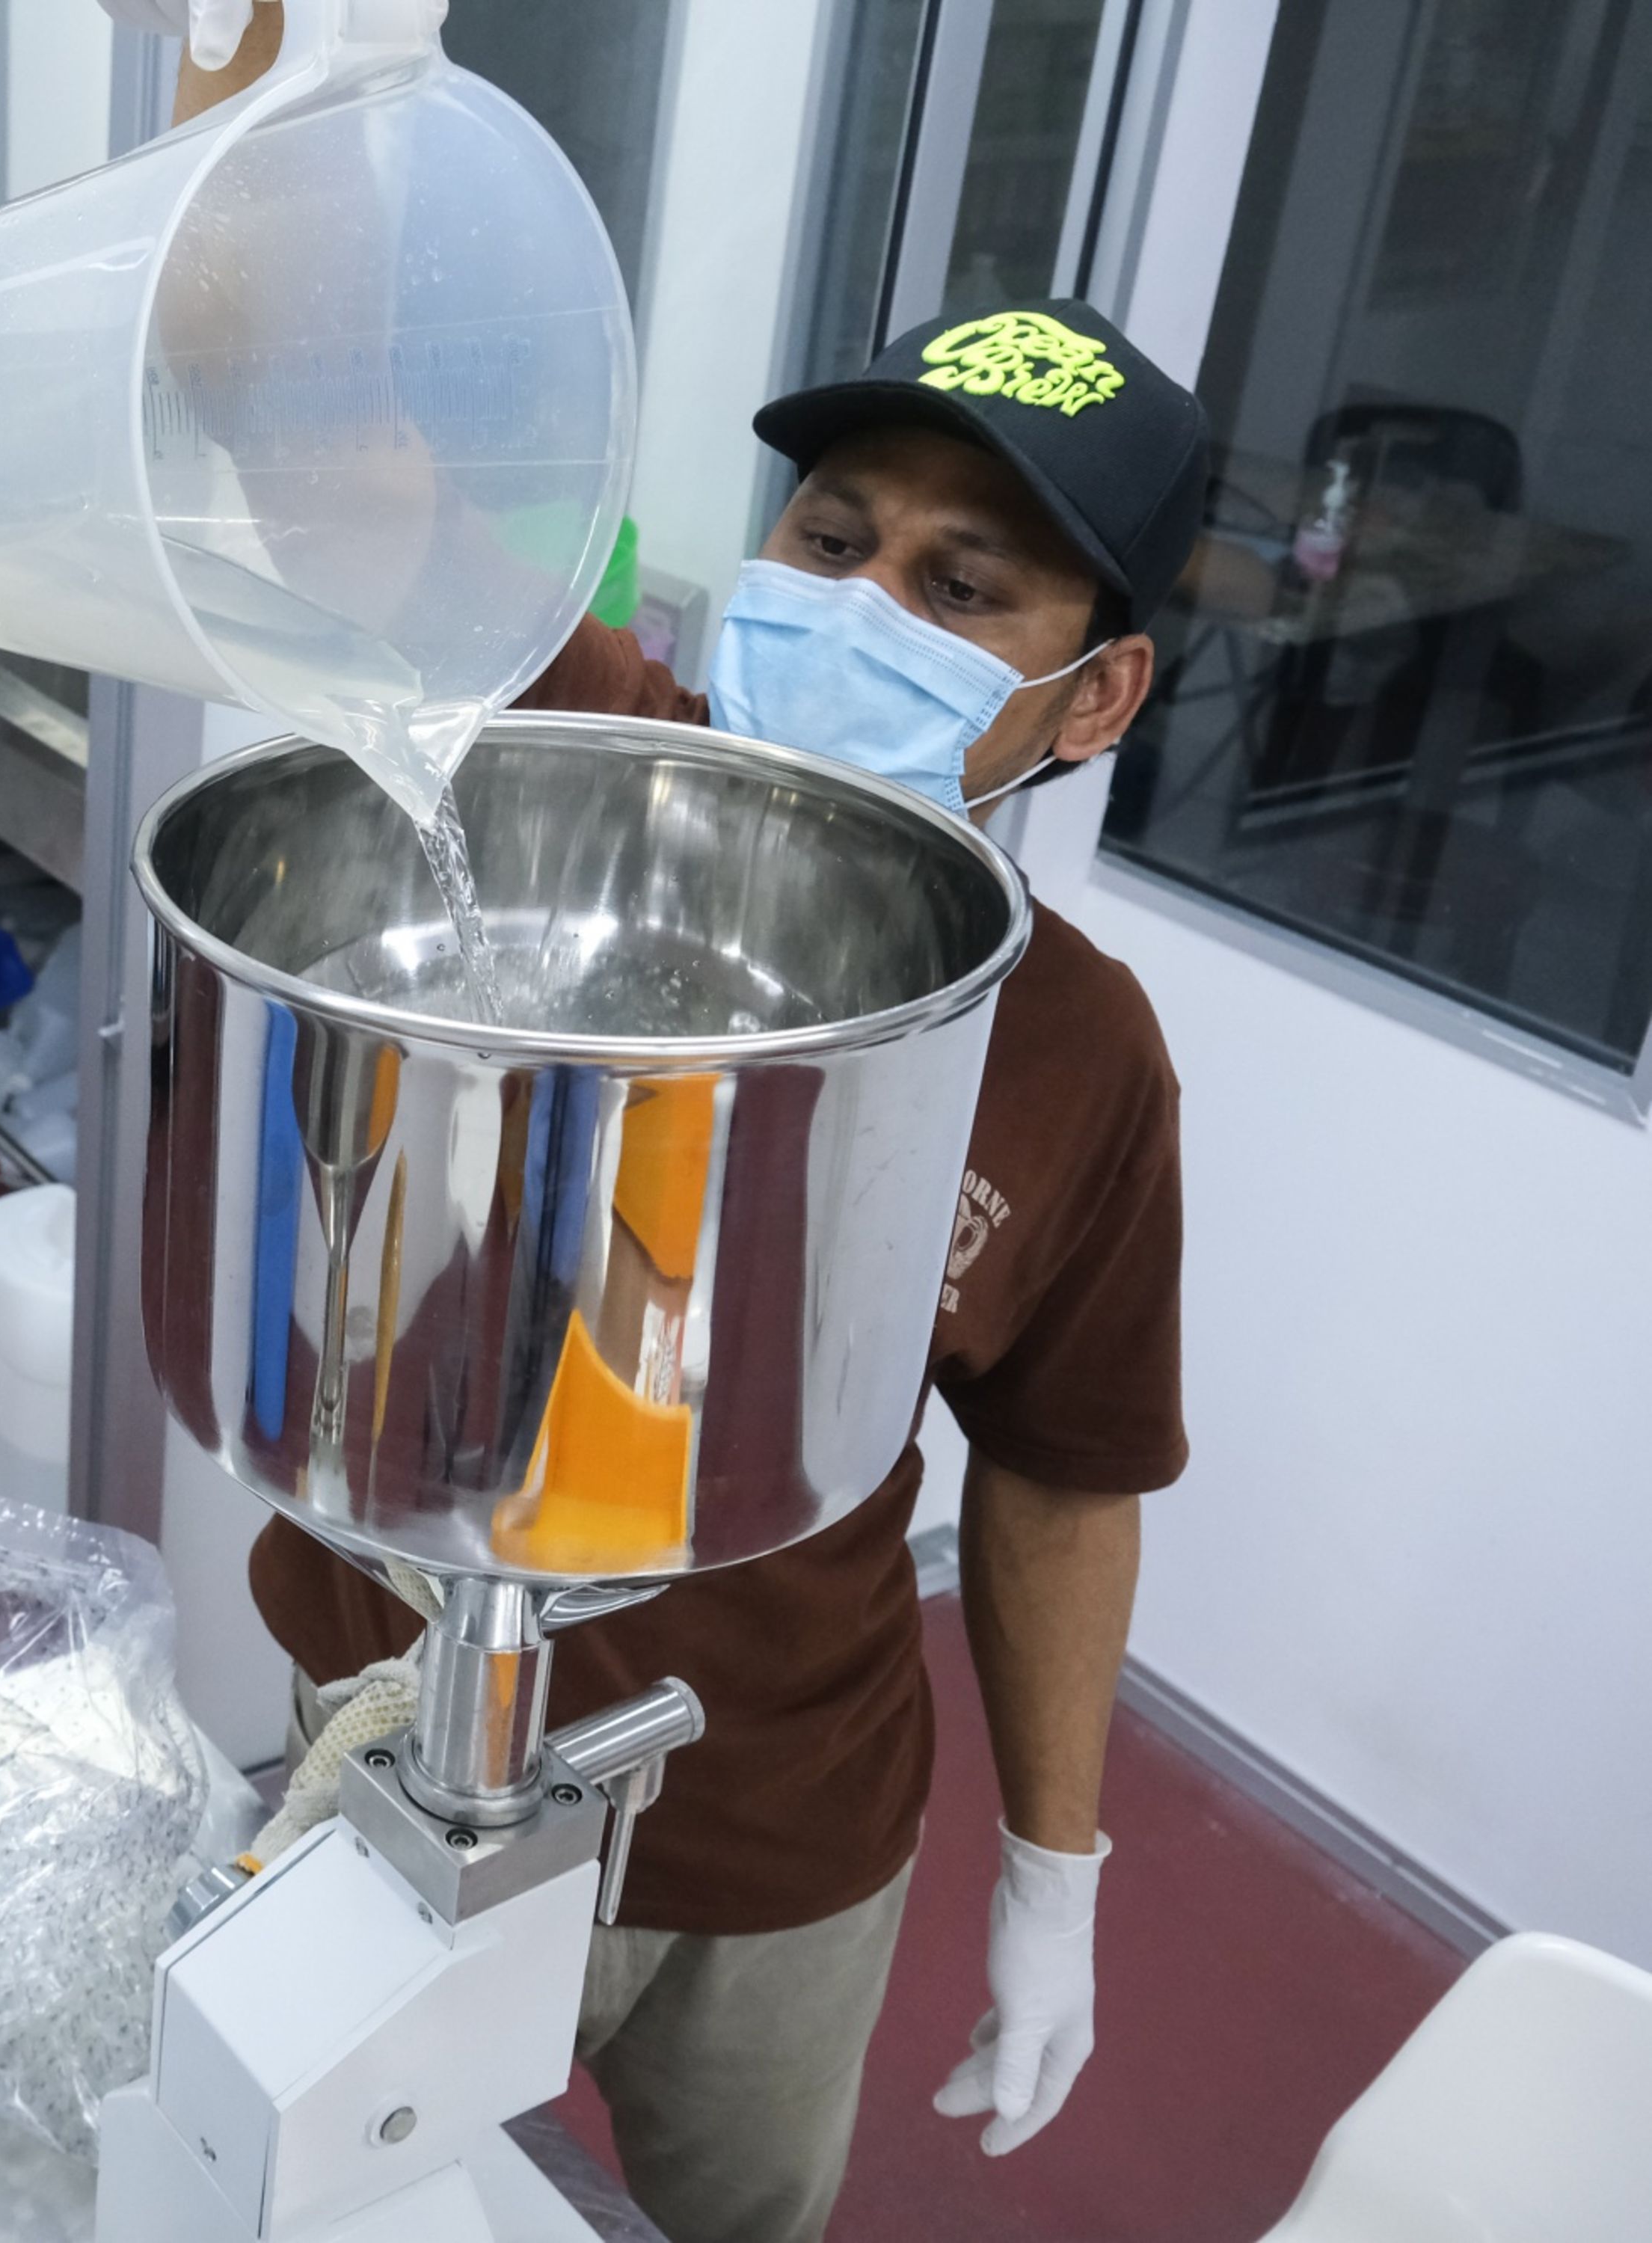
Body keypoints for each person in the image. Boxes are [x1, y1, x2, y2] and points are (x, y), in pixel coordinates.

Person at [141, 14, 1206, 2242]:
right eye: (834, 536)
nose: (859, 608)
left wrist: (1057, 1872)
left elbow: (1062, 1473)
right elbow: (307, 429)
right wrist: (274, 96)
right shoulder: (559, 754)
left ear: (1092, 692)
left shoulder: (1078, 1053)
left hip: (774, 1828)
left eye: (960, 589)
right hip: (396, 1729)